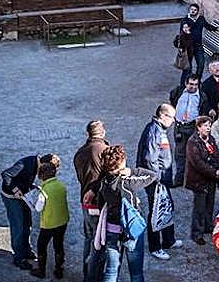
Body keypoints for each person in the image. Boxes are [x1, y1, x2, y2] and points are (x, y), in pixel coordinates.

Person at [96, 144, 158, 282]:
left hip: (112, 229)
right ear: (120, 164)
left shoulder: (103, 181)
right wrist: (131, 171)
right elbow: (152, 175)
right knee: (136, 273)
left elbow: (100, 203)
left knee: (111, 270)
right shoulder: (127, 182)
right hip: (131, 230)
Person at [135, 103, 182, 260]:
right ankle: (155, 246)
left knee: (167, 207)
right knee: (156, 212)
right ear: (163, 116)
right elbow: (150, 159)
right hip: (156, 181)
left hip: (161, 180)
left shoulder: (159, 130)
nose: (173, 121)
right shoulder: (154, 131)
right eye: (171, 117)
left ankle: (169, 240)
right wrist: (158, 179)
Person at [0, 152, 58, 270]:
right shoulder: (25, 164)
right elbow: (6, 174)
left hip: (24, 195)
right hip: (12, 198)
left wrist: (32, 186)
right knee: (18, 227)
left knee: (28, 224)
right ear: (43, 164)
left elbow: (23, 178)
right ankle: (19, 258)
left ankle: (26, 250)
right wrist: (16, 190)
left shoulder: (37, 165)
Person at [73, 120, 109, 282]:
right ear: (103, 132)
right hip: (99, 203)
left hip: (85, 202)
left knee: (89, 238)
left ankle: (87, 273)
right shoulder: (105, 151)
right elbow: (110, 178)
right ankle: (94, 277)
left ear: (88, 134)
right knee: (99, 241)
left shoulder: (80, 153)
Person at [185, 115, 219, 245]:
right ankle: (197, 233)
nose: (208, 128)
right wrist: (214, 172)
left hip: (210, 179)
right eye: (206, 126)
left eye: (209, 126)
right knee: (199, 207)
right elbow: (197, 163)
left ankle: (207, 225)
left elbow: (217, 154)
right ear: (199, 127)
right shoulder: (192, 142)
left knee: (209, 203)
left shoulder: (210, 139)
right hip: (199, 180)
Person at [31, 159, 69, 279]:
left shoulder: (44, 191)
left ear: (41, 176)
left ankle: (41, 271)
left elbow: (38, 208)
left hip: (49, 224)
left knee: (41, 246)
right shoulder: (61, 186)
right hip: (62, 221)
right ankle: (59, 270)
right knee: (59, 245)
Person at [169, 74, 209, 187]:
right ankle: (179, 179)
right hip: (180, 127)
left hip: (193, 127)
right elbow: (172, 100)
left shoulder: (202, 96)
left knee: (194, 153)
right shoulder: (179, 91)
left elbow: (204, 111)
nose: (193, 87)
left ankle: (193, 180)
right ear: (186, 84)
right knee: (179, 153)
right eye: (191, 84)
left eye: (196, 84)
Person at [186, 2, 218, 80]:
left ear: (198, 11)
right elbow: (182, 32)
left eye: (195, 10)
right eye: (191, 10)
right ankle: (189, 81)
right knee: (188, 66)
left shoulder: (201, 19)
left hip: (198, 46)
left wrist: (216, 29)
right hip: (189, 46)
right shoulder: (185, 20)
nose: (193, 11)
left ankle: (198, 80)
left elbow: (207, 26)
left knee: (201, 64)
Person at [173, 20, 195, 88]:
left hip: (189, 56)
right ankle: (183, 85)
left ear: (189, 27)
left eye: (186, 27)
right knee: (186, 71)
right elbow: (187, 44)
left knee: (188, 71)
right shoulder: (182, 35)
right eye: (184, 27)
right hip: (185, 57)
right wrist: (188, 35)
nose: (185, 29)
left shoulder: (189, 34)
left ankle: (188, 83)